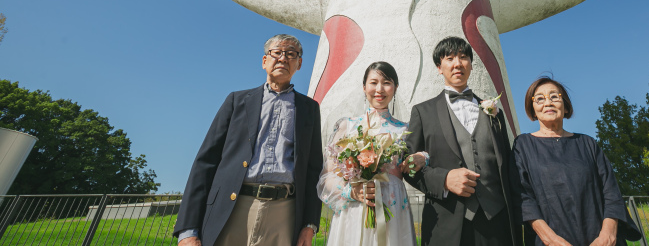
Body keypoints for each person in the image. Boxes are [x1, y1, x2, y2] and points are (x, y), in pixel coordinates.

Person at [174, 34, 323, 246]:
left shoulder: (309, 109)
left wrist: (309, 225)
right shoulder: (237, 101)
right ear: (264, 61)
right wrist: (188, 230)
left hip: (284, 214)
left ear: (299, 64)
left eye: (291, 54)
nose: (283, 58)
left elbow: (313, 170)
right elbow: (205, 162)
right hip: (232, 208)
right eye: (277, 52)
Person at [404, 37, 523, 246]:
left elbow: (507, 164)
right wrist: (444, 180)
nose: (457, 64)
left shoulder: (495, 113)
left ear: (471, 64)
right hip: (446, 223)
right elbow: (407, 166)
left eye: (463, 57)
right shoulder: (423, 112)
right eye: (449, 58)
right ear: (439, 68)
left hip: (497, 222)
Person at [512, 77, 641, 246]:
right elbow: (523, 197)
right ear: (533, 110)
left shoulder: (587, 143)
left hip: (599, 240)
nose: (548, 102)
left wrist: (608, 234)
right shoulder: (523, 145)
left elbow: (611, 191)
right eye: (540, 99)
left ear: (565, 106)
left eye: (554, 96)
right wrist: (550, 239)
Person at [317, 61, 425, 246]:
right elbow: (328, 176)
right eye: (373, 82)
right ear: (364, 87)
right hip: (354, 208)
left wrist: (423, 157)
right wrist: (351, 191)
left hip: (392, 207)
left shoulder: (405, 130)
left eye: (387, 83)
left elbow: (415, 164)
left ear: (395, 88)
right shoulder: (347, 127)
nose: (379, 89)